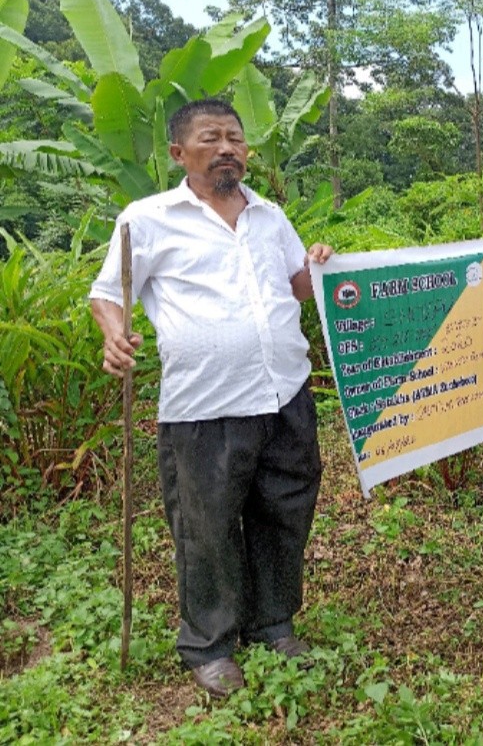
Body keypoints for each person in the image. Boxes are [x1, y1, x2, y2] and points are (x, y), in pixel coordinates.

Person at [90, 98, 333, 697]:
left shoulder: (270, 215)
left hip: (284, 392)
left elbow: (296, 286)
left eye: (235, 137)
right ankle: (209, 644)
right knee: (207, 527)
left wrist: (316, 264)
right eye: (210, 138)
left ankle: (273, 622)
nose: (227, 147)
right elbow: (107, 293)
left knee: (285, 512)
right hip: (204, 405)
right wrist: (113, 332)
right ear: (179, 152)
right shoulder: (146, 218)